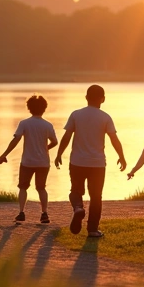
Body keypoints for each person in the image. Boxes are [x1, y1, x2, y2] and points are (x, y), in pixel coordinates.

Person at [54, 84, 127, 238]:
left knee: (75, 191)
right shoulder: (105, 117)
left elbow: (67, 137)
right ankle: (93, 230)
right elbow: (114, 139)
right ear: (103, 99)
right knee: (96, 196)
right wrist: (121, 156)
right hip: (97, 164)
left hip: (77, 161)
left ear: (86, 98)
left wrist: (59, 154)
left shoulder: (76, 115)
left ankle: (78, 208)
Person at [0, 94, 58, 224]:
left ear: (29, 108)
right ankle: (44, 213)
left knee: (23, 187)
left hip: (27, 162)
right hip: (43, 162)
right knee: (41, 188)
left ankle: (21, 213)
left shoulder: (24, 123)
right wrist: (45, 148)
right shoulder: (48, 125)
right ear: (44, 108)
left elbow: (16, 139)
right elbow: (55, 142)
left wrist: (4, 154)